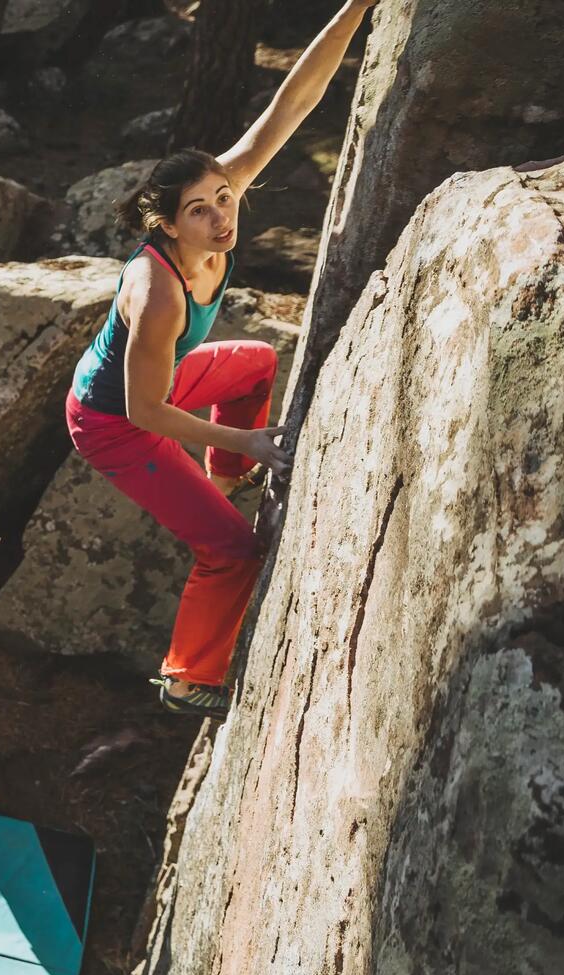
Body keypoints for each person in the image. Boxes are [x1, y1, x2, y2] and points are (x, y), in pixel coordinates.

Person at [66, 0, 379, 716]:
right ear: (169, 225)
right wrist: (245, 436)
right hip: (115, 424)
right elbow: (147, 412)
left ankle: (228, 474)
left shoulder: (218, 193)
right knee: (233, 551)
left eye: (224, 197)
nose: (222, 215)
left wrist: (356, 9)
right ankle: (185, 675)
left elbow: (292, 100)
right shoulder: (159, 294)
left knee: (260, 362)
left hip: (161, 383)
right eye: (202, 210)